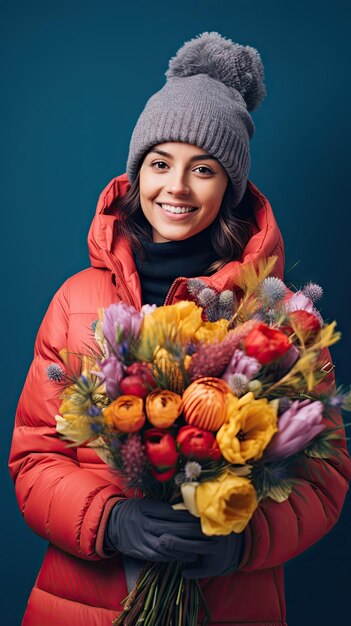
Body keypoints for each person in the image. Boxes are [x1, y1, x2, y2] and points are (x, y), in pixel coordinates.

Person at [9, 31, 351, 626]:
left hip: (229, 606)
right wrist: (110, 520)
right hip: (81, 605)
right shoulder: (75, 301)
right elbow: (35, 457)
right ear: (138, 172)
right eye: (160, 163)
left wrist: (241, 542)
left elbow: (323, 479)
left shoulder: (281, 319)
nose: (177, 188)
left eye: (204, 169)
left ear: (231, 185)